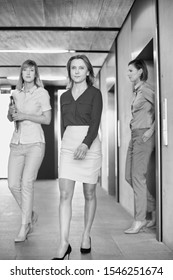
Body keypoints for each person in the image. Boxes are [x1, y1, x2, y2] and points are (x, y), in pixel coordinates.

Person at [52, 54, 103, 260]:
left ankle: (86, 235)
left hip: (89, 143)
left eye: (81, 68)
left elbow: (96, 121)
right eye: (74, 68)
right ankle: (64, 243)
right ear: (69, 71)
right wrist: (68, 143)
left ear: (88, 71)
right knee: (64, 195)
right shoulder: (63, 97)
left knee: (89, 192)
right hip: (68, 145)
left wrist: (85, 143)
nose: (77, 71)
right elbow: (63, 124)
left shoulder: (95, 93)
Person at [7, 59, 51, 242]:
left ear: (35, 74)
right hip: (17, 143)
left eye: (31, 71)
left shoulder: (42, 93)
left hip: (35, 144)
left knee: (26, 183)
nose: (28, 73)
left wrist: (25, 115)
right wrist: (11, 114)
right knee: (12, 184)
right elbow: (11, 118)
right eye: (25, 70)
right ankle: (30, 214)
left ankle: (24, 226)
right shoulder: (15, 93)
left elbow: (47, 120)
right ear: (21, 73)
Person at [124, 59, 156, 234]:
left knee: (137, 178)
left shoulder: (146, 90)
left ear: (140, 72)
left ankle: (140, 219)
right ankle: (154, 208)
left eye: (130, 71)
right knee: (129, 176)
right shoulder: (137, 92)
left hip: (143, 136)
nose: (128, 74)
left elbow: (162, 110)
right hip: (134, 135)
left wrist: (151, 131)